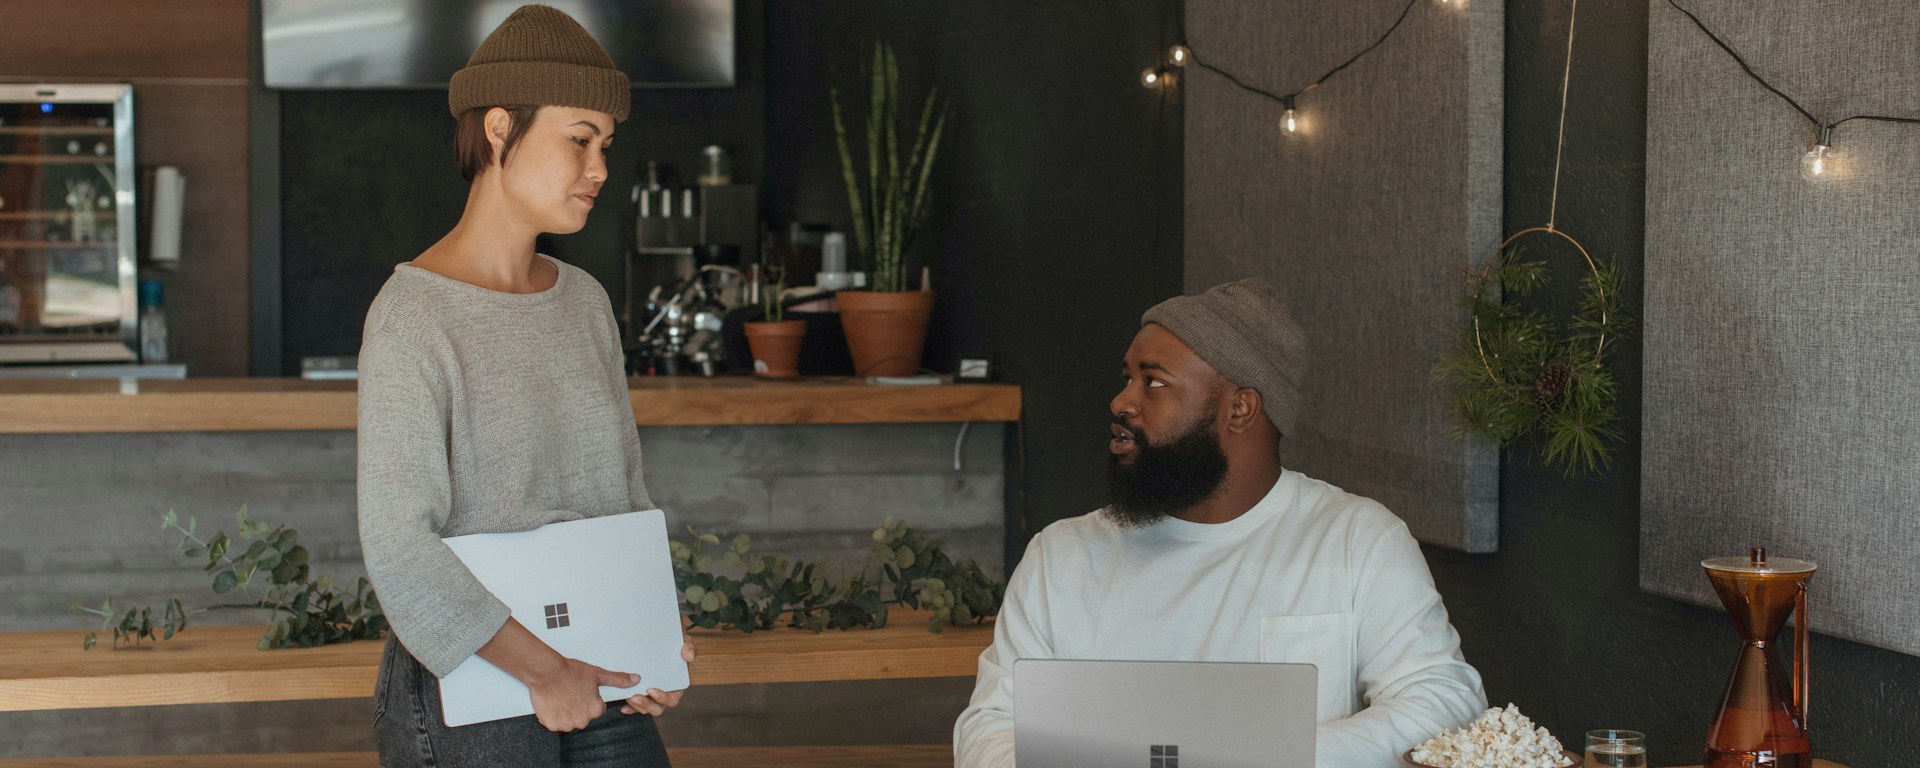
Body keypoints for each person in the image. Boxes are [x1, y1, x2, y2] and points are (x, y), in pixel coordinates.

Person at [953, 278, 1486, 767]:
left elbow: (1443, 701)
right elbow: (994, 725)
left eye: (1154, 383)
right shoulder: (1062, 556)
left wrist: (1267, 757)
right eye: (1127, 379)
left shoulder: (1357, 540)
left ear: (1240, 409)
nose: (1121, 402)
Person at [356, 6, 690, 766]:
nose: (600, 167)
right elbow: (398, 544)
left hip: (602, 674)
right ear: (501, 129)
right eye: (579, 139)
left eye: (606, 144)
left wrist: (655, 634)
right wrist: (545, 669)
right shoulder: (412, 315)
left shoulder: (585, 301)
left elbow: (621, 500)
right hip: (470, 685)